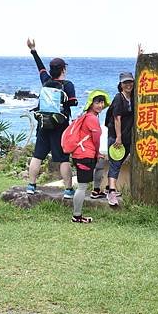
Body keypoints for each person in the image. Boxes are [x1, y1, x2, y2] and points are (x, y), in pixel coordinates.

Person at [26, 38, 78, 198]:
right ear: (63, 69)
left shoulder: (46, 81)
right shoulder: (68, 85)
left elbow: (40, 68)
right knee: (63, 159)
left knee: (37, 156)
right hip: (60, 127)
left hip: (44, 124)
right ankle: (68, 190)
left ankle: (31, 186)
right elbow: (73, 103)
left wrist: (33, 50)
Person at [64, 90, 110, 222]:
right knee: (82, 186)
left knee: (95, 170)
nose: (100, 105)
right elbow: (95, 140)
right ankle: (76, 216)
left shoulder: (87, 116)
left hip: (80, 153)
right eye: (97, 102)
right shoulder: (92, 119)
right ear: (91, 104)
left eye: (101, 102)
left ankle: (95, 191)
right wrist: (97, 152)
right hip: (84, 155)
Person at [105, 72, 135, 206]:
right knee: (115, 162)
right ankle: (111, 191)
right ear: (121, 84)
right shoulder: (119, 98)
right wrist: (118, 137)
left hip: (127, 136)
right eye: (125, 82)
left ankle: (108, 187)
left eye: (130, 82)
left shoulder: (133, 97)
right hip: (116, 136)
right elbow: (117, 118)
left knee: (118, 161)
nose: (128, 85)